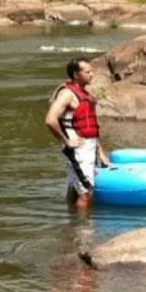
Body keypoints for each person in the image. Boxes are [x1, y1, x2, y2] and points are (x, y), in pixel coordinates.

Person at [45, 58, 111, 211]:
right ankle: (83, 231)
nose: (92, 75)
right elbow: (50, 120)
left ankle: (71, 225)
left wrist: (100, 153)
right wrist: (66, 141)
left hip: (88, 147)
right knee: (86, 192)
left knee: (76, 188)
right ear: (76, 74)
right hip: (77, 149)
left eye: (92, 71)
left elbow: (91, 127)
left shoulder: (85, 94)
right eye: (87, 72)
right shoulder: (67, 94)